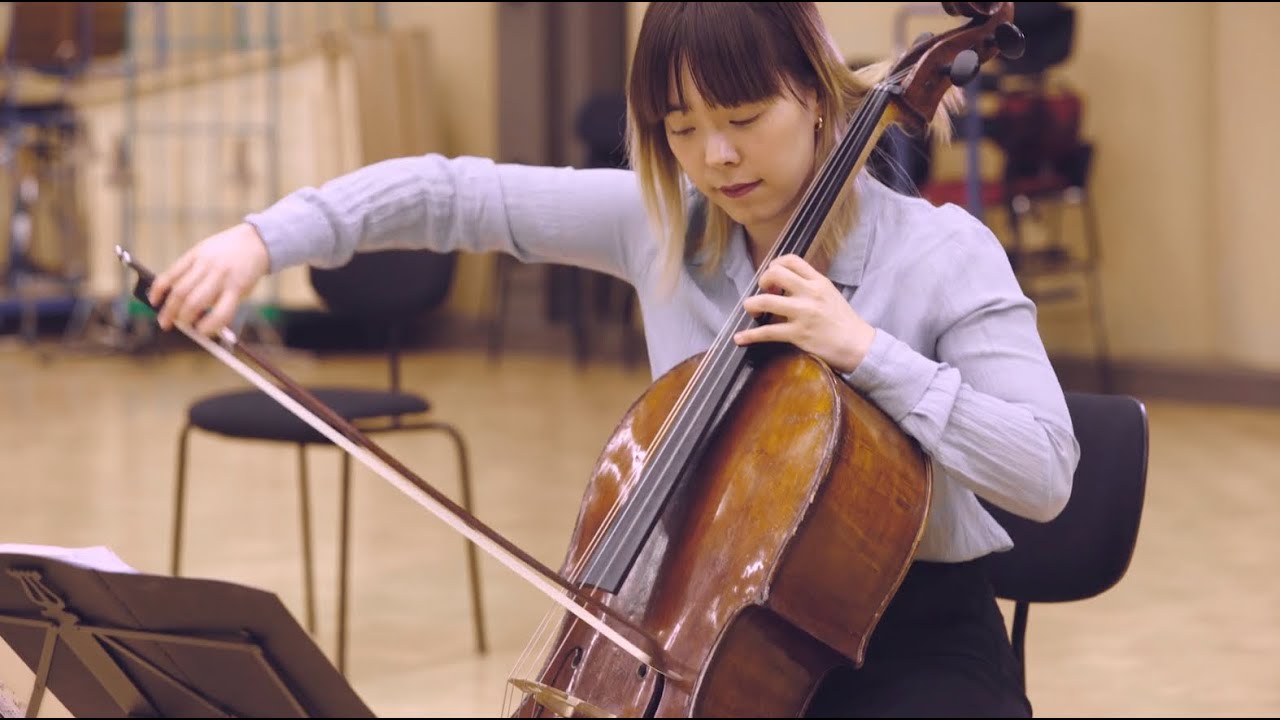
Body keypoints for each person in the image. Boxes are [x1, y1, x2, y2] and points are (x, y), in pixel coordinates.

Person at [148, 3, 1079, 717]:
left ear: (817, 93)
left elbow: (1044, 473)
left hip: (916, 639)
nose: (717, 156)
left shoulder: (942, 254)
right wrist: (262, 239)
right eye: (682, 127)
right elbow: (452, 194)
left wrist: (867, 352)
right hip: (701, 634)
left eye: (745, 116)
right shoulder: (665, 225)